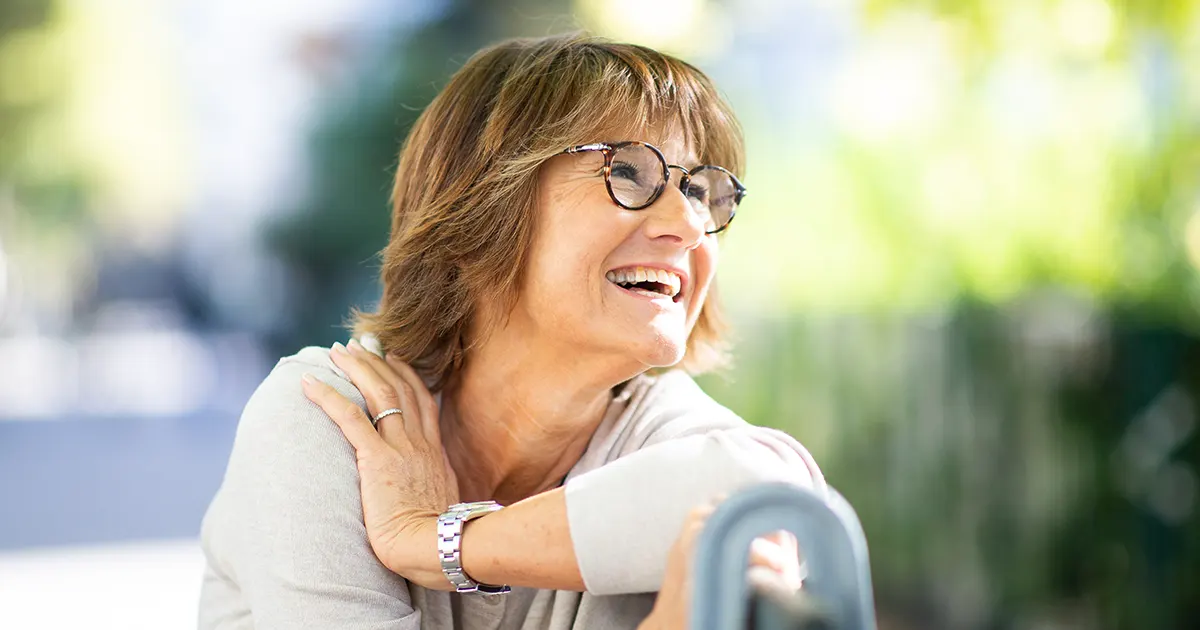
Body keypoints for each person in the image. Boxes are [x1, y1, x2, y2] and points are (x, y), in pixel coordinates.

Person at [198, 32, 826, 629]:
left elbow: (772, 495)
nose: (688, 225)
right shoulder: (334, 418)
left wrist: (442, 543)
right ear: (480, 208)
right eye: (630, 174)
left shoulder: (656, 431)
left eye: (703, 192)